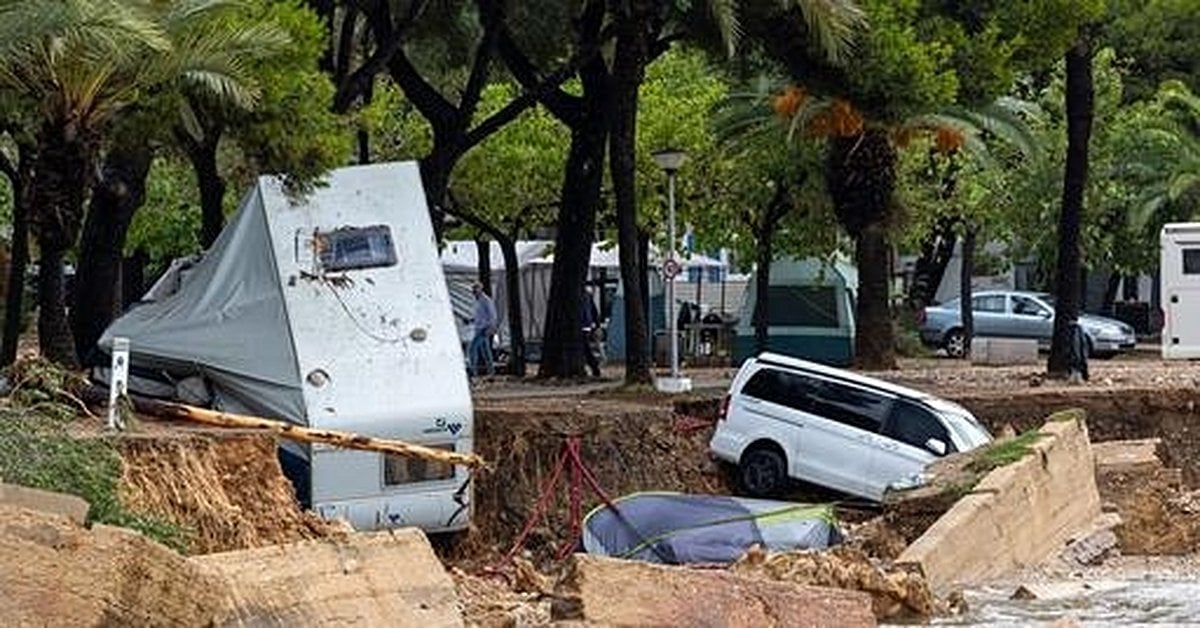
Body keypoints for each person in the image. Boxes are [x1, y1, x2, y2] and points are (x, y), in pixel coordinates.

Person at [468, 283, 497, 377]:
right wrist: (471, 320)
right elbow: (480, 316)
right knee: (486, 352)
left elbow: (492, 315)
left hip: (483, 329)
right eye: (473, 290)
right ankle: (491, 372)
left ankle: (473, 372)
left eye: (476, 289)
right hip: (478, 328)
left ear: (480, 289)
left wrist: (491, 328)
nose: (474, 292)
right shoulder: (476, 301)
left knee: (472, 349)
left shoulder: (486, 300)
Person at [581, 288, 602, 378]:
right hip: (587, 325)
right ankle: (594, 367)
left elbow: (593, 310)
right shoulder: (587, 295)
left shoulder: (584, 295)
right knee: (586, 348)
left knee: (586, 349)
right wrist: (597, 325)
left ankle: (594, 367)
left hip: (583, 324)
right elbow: (594, 311)